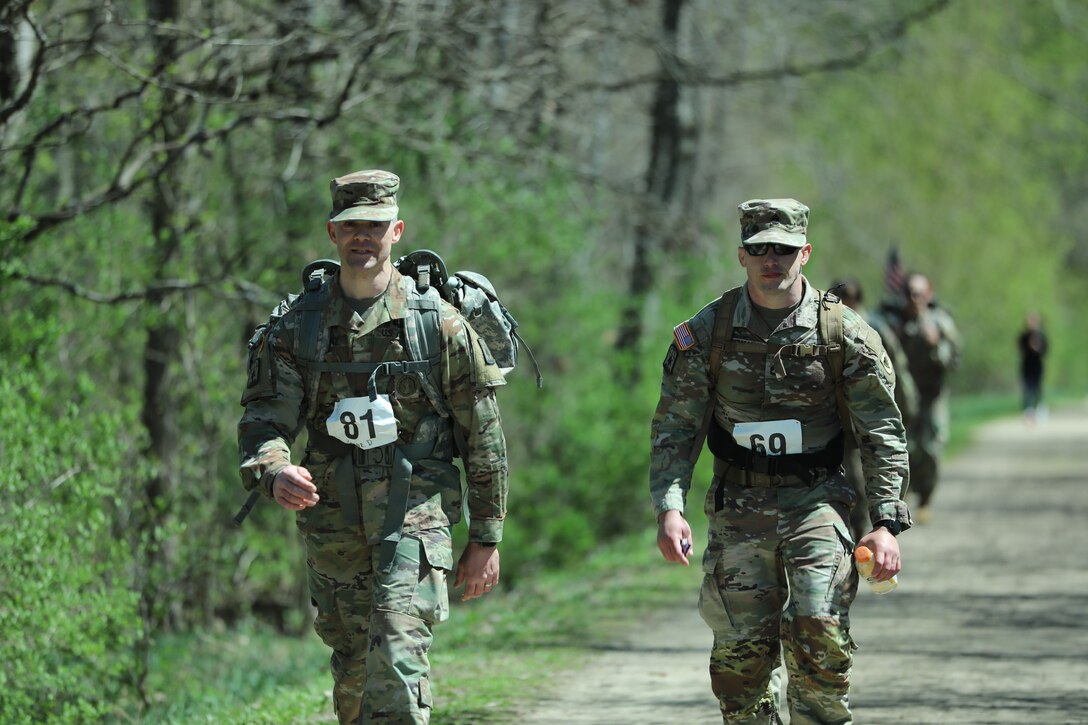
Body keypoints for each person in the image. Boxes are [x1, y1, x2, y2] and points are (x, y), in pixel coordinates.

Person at [238, 169, 509, 724]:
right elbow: (265, 421)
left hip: (416, 515)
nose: (364, 236)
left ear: (397, 230)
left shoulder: (438, 325)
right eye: (351, 226)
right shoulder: (296, 330)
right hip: (334, 526)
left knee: (397, 652)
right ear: (333, 234)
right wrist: (274, 471)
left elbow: (484, 437)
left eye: (377, 226)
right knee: (355, 668)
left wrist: (486, 537)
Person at [650, 198, 911, 724]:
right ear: (742, 255)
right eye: (759, 249)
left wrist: (885, 523)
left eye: (784, 250)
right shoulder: (707, 334)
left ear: (805, 254)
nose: (772, 259)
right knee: (740, 658)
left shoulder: (845, 334)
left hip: (817, 499)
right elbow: (677, 428)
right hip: (738, 504)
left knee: (819, 625)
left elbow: (882, 429)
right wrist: (669, 507)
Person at [832, 277, 919, 541]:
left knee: (867, 479)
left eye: (851, 299)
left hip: (869, 419)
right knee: (848, 482)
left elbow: (898, 372)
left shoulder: (873, 330)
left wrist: (906, 410)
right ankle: (852, 534)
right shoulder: (827, 329)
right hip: (840, 425)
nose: (847, 304)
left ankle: (870, 531)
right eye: (842, 298)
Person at [880, 272, 961, 524]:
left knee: (932, 448)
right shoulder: (893, 323)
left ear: (929, 294)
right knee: (904, 448)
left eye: (919, 293)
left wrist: (935, 345)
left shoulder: (940, 322)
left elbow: (953, 360)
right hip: (903, 396)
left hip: (931, 396)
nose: (914, 299)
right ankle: (906, 495)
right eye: (909, 294)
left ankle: (926, 497)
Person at [1017, 311, 1048, 423]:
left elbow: (1045, 350)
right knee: (1027, 388)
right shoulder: (1024, 336)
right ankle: (1028, 412)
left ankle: (1039, 409)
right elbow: (1020, 349)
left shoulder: (1041, 336)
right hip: (1027, 365)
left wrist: (1038, 348)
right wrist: (1030, 347)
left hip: (1037, 365)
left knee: (1038, 388)